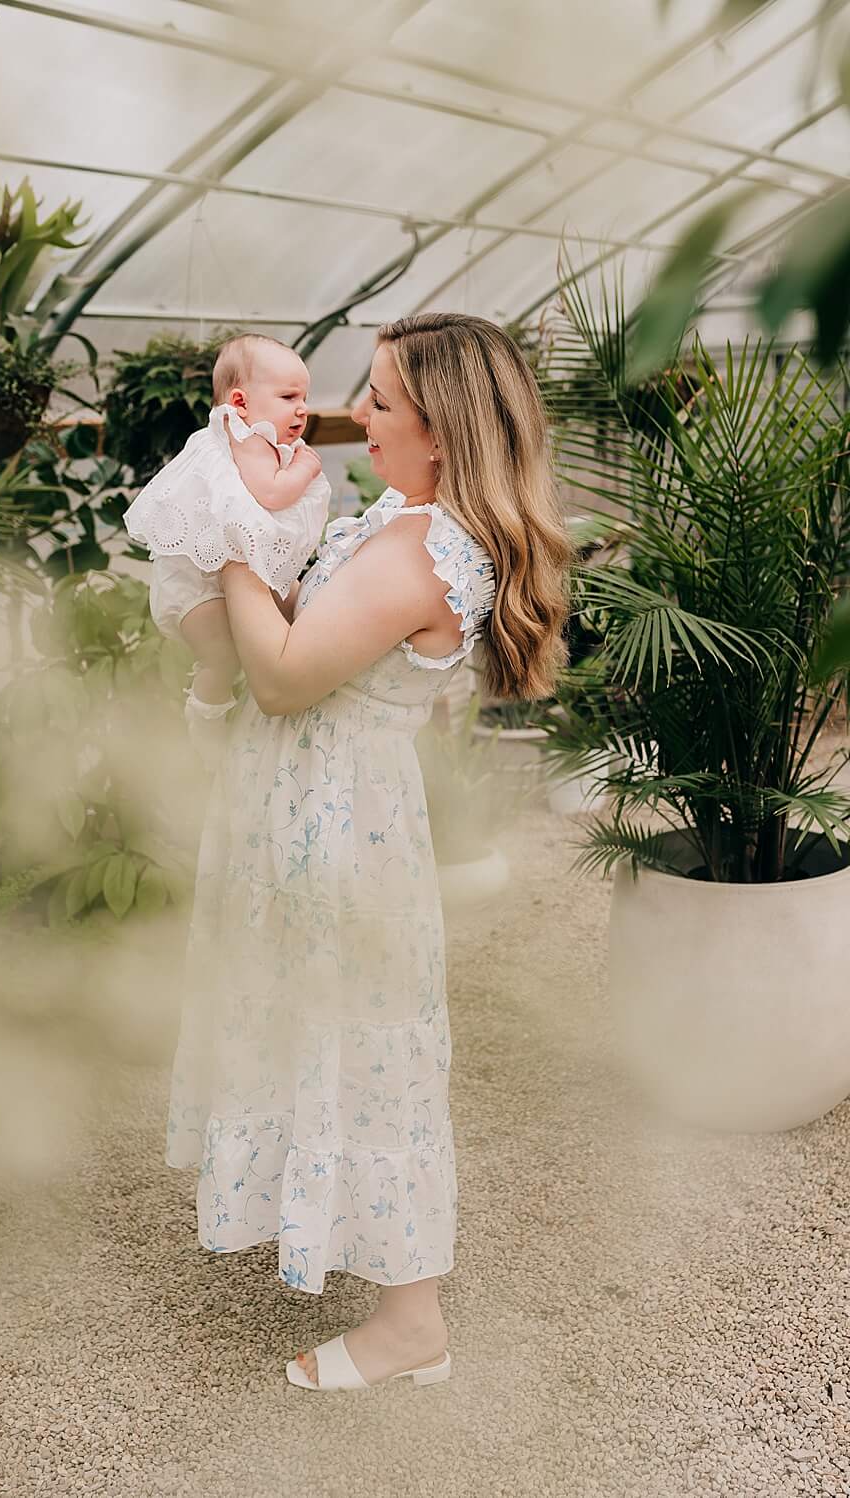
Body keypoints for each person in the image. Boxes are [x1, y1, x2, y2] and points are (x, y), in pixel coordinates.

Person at [163, 312, 571, 1392]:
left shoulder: (425, 552)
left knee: (373, 1047)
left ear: (440, 426)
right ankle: (334, 1238)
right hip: (311, 804)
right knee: (316, 1027)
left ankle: (410, 1326)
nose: (358, 417)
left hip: (344, 822)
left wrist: (228, 536)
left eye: (381, 400)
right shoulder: (400, 518)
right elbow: (307, 635)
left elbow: (286, 675)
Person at [122, 333, 331, 759]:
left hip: (223, 580)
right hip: (199, 593)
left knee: (281, 624)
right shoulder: (247, 437)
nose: (302, 407)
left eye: (304, 396)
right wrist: (306, 468)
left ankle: (241, 717)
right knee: (223, 659)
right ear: (240, 403)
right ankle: (205, 725)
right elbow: (272, 493)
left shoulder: (259, 437)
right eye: (288, 395)